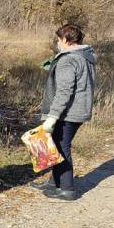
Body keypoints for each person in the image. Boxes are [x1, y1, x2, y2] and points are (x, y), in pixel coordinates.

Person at [33, 23, 96, 201]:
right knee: (57, 144)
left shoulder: (68, 60)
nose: (58, 43)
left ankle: (67, 189)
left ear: (66, 40)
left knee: (61, 147)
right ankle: (54, 183)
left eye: (59, 39)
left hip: (69, 112)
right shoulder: (85, 56)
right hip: (80, 109)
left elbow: (64, 92)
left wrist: (52, 117)